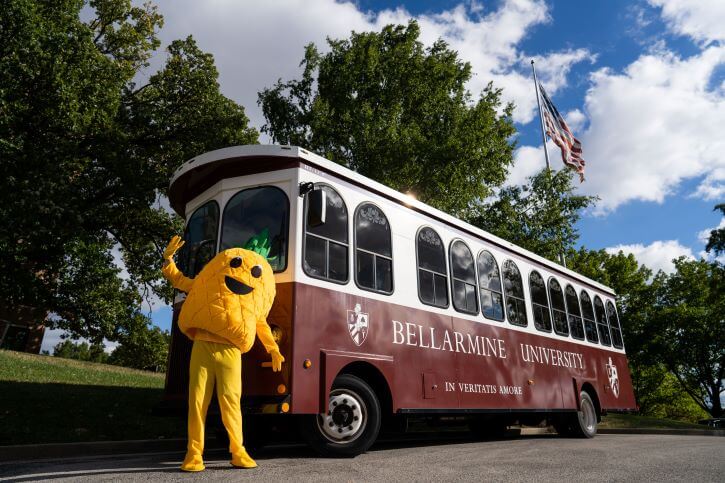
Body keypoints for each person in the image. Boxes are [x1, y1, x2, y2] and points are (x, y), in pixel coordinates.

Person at [162, 234, 284, 471]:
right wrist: (168, 260)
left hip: (230, 351)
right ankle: (194, 454)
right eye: (236, 264)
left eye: (255, 272)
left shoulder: (254, 295)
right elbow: (179, 280)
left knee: (231, 403)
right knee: (197, 401)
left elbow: (261, 323)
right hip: (204, 345)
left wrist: (273, 349)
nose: (243, 273)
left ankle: (238, 451)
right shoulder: (208, 280)